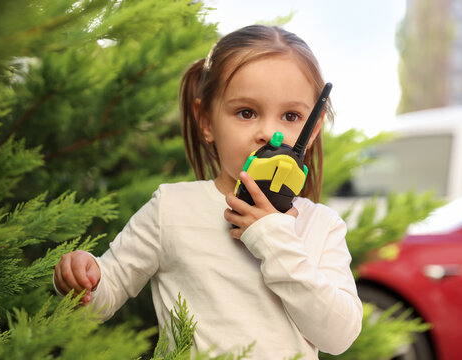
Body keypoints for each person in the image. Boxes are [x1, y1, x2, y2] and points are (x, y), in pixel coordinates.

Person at [54, 25, 362, 359]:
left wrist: (274, 239)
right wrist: (86, 279)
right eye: (246, 112)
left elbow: (340, 336)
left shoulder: (322, 225)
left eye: (291, 116)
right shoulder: (171, 209)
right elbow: (102, 297)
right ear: (206, 121)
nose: (269, 133)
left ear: (312, 128)